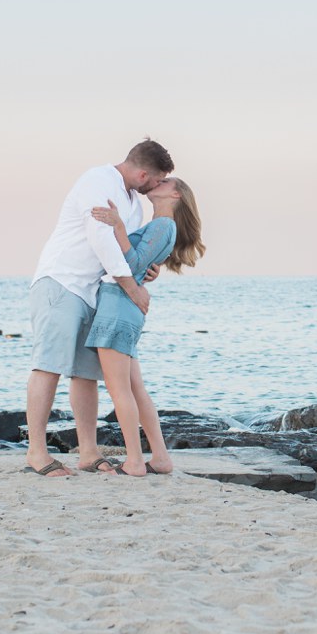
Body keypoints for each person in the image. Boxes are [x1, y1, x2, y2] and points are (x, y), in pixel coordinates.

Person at [23, 139, 173, 477]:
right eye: (158, 179)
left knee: (84, 374)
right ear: (144, 173)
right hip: (63, 282)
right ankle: (36, 453)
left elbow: (127, 251)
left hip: (96, 292)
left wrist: (149, 269)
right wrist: (133, 288)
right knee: (48, 365)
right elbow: (101, 239)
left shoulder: (133, 202)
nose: (158, 186)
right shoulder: (98, 181)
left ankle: (88, 453)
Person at [87, 176, 205, 477]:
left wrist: (118, 227)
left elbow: (133, 263)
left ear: (175, 194)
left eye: (165, 182)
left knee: (120, 391)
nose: (158, 182)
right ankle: (161, 458)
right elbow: (142, 265)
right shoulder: (163, 228)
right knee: (136, 389)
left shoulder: (164, 225)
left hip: (118, 306)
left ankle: (135, 461)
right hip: (125, 308)